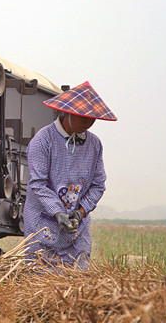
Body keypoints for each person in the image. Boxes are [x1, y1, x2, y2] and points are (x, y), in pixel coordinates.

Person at [23, 81, 117, 268]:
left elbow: (98, 184)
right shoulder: (43, 141)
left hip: (76, 226)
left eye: (92, 119)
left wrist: (80, 212)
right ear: (67, 113)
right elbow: (38, 184)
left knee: (78, 277)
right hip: (43, 222)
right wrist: (58, 213)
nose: (88, 123)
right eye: (82, 117)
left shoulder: (94, 144)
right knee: (40, 277)